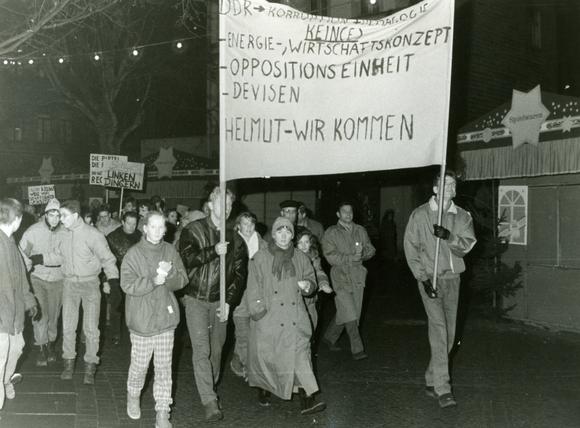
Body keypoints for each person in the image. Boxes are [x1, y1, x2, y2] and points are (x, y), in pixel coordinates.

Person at [403, 170, 476, 408]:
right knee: (439, 330)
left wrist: (449, 236)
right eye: (446, 184)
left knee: (450, 335)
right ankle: (443, 389)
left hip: (453, 279)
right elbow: (410, 248)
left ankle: (431, 377)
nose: (451, 188)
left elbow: (466, 246)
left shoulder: (462, 216)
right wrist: (423, 279)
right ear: (435, 189)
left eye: (453, 184)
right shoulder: (420, 215)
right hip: (430, 279)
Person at [178, 186, 247, 421]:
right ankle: (209, 400)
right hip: (196, 298)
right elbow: (186, 259)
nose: (226, 208)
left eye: (229, 205)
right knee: (202, 349)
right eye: (221, 204)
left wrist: (229, 302)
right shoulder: (193, 230)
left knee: (216, 350)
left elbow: (239, 275)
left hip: (220, 301)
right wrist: (213, 251)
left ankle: (210, 386)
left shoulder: (236, 239)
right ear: (210, 204)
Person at [246, 217, 326, 415]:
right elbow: (253, 288)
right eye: (279, 231)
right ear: (273, 235)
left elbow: (310, 278)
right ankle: (264, 389)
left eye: (288, 232)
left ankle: (308, 399)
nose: (283, 236)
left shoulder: (300, 257)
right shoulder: (260, 258)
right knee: (268, 358)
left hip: (295, 316)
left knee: (301, 356)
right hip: (269, 316)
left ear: (292, 236)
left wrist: (309, 286)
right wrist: (259, 312)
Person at [121, 211, 188, 428]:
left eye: (161, 227)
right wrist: (153, 280)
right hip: (142, 320)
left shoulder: (170, 250)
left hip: (165, 318)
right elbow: (127, 284)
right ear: (145, 228)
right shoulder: (133, 254)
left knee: (164, 368)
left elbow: (183, 279)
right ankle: (133, 395)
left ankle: (162, 411)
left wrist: (169, 277)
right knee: (140, 366)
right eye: (153, 226)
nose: (158, 231)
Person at [58, 200, 119, 384]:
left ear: (75, 215)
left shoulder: (93, 235)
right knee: (68, 326)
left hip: (90, 284)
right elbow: (58, 256)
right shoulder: (63, 234)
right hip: (69, 284)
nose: (61, 219)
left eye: (64, 215)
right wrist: (39, 258)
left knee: (91, 328)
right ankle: (68, 363)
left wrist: (113, 282)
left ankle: (90, 366)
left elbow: (108, 259)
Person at [321, 201, 376, 360]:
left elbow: (371, 249)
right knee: (351, 313)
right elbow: (330, 256)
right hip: (340, 276)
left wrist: (363, 253)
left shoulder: (360, 230)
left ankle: (329, 337)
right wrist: (351, 257)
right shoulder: (331, 232)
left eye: (350, 211)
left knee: (348, 310)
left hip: (357, 275)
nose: (348, 214)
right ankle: (357, 349)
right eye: (344, 211)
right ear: (338, 214)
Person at [0, 198, 39, 408]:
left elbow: (21, 276)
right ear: (17, 219)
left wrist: (30, 301)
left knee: (17, 348)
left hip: (13, 312)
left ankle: (5, 380)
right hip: (2, 314)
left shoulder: (11, 241)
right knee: (0, 357)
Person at [19, 198, 65, 366]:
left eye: (58, 215)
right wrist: (24, 273)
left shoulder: (66, 233)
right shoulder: (33, 232)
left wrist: (42, 258)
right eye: (51, 215)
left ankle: (51, 343)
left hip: (58, 279)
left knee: (54, 315)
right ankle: (41, 347)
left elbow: (65, 256)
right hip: (37, 278)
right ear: (45, 214)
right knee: (40, 314)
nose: (54, 219)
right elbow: (22, 255)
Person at [230, 212, 267, 379]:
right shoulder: (231, 243)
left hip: (257, 294)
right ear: (238, 225)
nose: (248, 227)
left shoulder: (264, 245)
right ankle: (248, 367)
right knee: (243, 331)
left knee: (255, 332)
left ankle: (238, 359)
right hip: (238, 294)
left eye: (251, 224)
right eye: (245, 224)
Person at [105, 211, 142, 345]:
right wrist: (106, 281)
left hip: (135, 277)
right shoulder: (112, 237)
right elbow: (105, 260)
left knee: (135, 307)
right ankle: (116, 334)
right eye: (129, 223)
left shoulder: (141, 237)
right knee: (116, 306)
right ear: (122, 222)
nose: (131, 227)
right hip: (116, 276)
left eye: (134, 224)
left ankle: (135, 334)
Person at [295, 229, 332, 331]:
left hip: (311, 298)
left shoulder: (314, 258)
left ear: (311, 243)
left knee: (311, 325)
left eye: (306, 242)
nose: (304, 246)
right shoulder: (292, 257)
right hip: (296, 299)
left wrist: (323, 283)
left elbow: (319, 272)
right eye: (300, 243)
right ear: (295, 244)